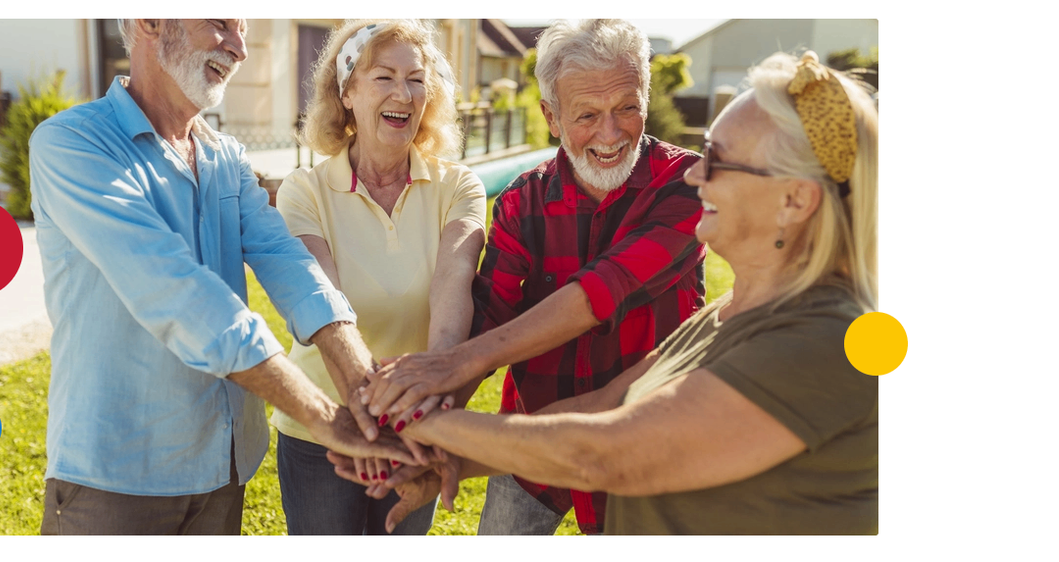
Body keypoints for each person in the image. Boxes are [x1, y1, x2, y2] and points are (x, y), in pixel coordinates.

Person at [338, 49, 880, 535]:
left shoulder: (830, 340)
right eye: (704, 153)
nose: (698, 177)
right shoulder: (723, 315)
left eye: (720, 161)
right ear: (553, 117)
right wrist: (447, 457)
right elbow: (600, 406)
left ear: (795, 201)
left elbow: (605, 453)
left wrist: (419, 421)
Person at [27, 18, 414, 535]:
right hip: (118, 476)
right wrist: (325, 417)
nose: (239, 48)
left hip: (222, 470)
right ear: (150, 20)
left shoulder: (223, 156)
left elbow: (287, 259)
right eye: (220, 23)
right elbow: (177, 293)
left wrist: (358, 377)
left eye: (243, 29)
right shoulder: (74, 143)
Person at [358, 19, 704, 535]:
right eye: (587, 115)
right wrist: (420, 425)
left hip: (645, 438)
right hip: (530, 439)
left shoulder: (689, 184)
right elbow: (490, 313)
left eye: (626, 108)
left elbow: (604, 289)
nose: (611, 134)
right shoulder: (523, 200)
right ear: (551, 117)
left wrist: (453, 365)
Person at [269, 19, 486, 535]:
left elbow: (453, 287)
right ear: (347, 93)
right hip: (323, 427)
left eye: (416, 79)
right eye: (384, 77)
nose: (403, 95)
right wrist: (365, 417)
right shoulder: (304, 190)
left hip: (416, 424)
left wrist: (422, 407)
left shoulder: (459, 186)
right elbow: (323, 299)